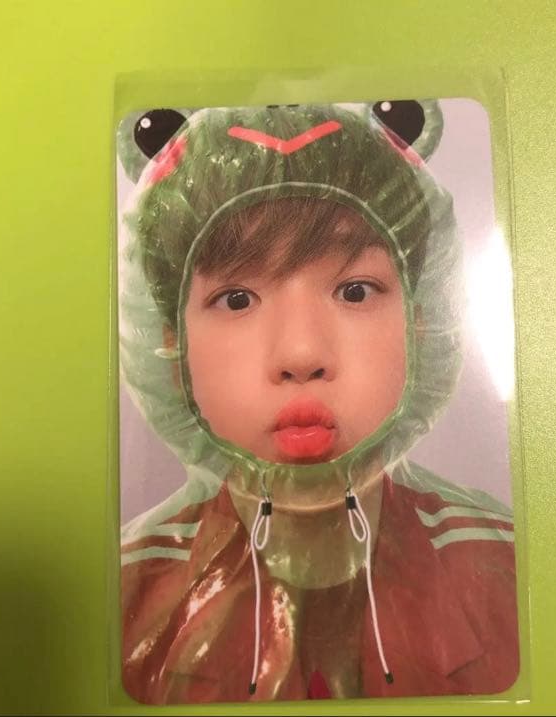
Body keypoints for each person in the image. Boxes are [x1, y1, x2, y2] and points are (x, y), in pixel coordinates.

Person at [117, 102, 518, 704]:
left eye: (355, 291)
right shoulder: (120, 598)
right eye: (236, 299)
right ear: (171, 349)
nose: (301, 353)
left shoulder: (513, 572)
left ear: (420, 325)